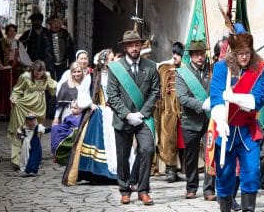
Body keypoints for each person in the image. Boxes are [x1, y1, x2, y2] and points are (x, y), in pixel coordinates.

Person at [208, 23, 264, 212]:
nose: (244, 56)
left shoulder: (259, 68)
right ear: (233, 52)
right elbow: (216, 98)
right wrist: (220, 120)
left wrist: (234, 97)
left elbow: (259, 98)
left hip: (247, 131)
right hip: (225, 130)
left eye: (247, 52)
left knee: (251, 174)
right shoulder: (221, 68)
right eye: (240, 53)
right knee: (224, 176)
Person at [107, 30, 159, 206]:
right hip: (123, 118)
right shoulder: (116, 68)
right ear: (125, 47)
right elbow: (112, 96)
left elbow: (155, 92)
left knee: (148, 149)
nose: (134, 48)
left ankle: (143, 190)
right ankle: (124, 190)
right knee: (123, 155)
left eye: (137, 44)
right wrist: (128, 115)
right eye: (130, 45)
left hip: (143, 119)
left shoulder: (151, 66)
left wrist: (142, 114)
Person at [62, 49, 119, 185]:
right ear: (104, 62)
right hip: (99, 114)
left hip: (114, 113)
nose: (113, 62)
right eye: (111, 60)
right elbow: (83, 93)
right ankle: (97, 174)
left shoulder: (116, 75)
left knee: (116, 144)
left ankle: (114, 174)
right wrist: (90, 104)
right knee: (98, 143)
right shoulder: (93, 76)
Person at [175, 40, 212, 199]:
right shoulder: (182, 73)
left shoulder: (212, 70)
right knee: (191, 157)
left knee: (211, 154)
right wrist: (203, 104)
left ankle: (209, 189)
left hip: (210, 120)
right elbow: (183, 97)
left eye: (202, 54)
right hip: (191, 121)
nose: (199, 57)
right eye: (196, 54)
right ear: (190, 56)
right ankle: (191, 187)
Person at [8, 60, 57, 170]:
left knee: (36, 133)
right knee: (22, 130)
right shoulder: (25, 76)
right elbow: (17, 90)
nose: (38, 75)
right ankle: (18, 159)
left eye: (41, 73)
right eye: (36, 73)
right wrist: (14, 97)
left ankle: (33, 158)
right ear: (32, 70)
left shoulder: (46, 76)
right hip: (24, 106)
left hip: (39, 109)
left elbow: (54, 87)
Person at [155, 42, 184, 183]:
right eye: (174, 53)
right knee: (168, 138)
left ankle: (184, 169)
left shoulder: (186, 69)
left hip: (184, 110)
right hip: (168, 110)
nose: (175, 56)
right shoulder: (164, 68)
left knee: (183, 141)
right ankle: (170, 170)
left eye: (179, 54)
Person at [0, 24, 23, 119]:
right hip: (3, 69)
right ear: (6, 32)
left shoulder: (18, 43)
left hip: (14, 70)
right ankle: (1, 111)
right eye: (10, 31)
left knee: (14, 91)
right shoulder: (1, 42)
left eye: (14, 31)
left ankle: (12, 112)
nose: (12, 33)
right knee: (2, 90)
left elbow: (24, 57)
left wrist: (31, 65)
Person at [47, 16, 75, 81]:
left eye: (58, 23)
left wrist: (71, 63)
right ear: (50, 25)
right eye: (54, 23)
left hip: (63, 63)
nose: (56, 25)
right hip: (50, 64)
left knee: (62, 80)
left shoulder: (66, 35)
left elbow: (71, 50)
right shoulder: (46, 35)